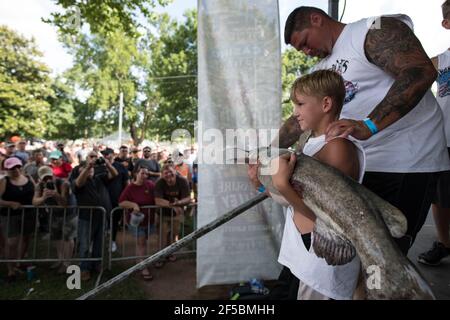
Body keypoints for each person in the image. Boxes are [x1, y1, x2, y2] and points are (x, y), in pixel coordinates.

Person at [281, 6, 450, 255]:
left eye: (305, 42)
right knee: (355, 257)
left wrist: (369, 124)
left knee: (388, 255)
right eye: (301, 50)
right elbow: (299, 119)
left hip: (405, 162)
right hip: (361, 167)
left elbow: (420, 71)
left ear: (316, 20)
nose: (307, 52)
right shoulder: (320, 70)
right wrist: (270, 150)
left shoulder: (371, 30)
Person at [418, 0, 450, 266]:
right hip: (445, 139)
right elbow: (408, 92)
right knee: (440, 197)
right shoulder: (438, 61)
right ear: (447, 23)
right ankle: (445, 243)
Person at [72, 151, 118, 281]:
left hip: (102, 216)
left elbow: (114, 174)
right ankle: (84, 268)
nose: (91, 169)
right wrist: (87, 167)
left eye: (92, 168)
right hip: (86, 218)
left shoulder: (98, 179)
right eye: (86, 167)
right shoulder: (78, 182)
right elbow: (78, 183)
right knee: (85, 244)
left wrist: (108, 164)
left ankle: (96, 264)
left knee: (99, 243)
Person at [32, 166, 77, 274]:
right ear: (40, 179)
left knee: (67, 238)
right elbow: (34, 202)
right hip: (54, 215)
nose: (48, 180)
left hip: (68, 214)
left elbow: (64, 204)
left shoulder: (63, 184)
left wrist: (55, 194)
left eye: (49, 177)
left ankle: (67, 263)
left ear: (53, 175)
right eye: (45, 178)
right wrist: (43, 197)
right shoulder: (39, 186)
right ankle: (60, 260)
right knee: (57, 238)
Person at [0, 157, 36, 282]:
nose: (15, 170)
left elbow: (36, 192)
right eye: (12, 168)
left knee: (26, 238)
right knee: (11, 243)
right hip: (10, 216)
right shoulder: (4, 181)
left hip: (29, 214)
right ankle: (11, 270)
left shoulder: (28, 178)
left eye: (17, 167)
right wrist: (10, 203)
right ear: (6, 170)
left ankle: (19, 263)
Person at [118, 167, 156, 280]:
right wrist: (133, 205)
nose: (145, 175)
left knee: (144, 242)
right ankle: (143, 267)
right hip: (136, 221)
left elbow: (157, 197)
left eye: (147, 173)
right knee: (142, 243)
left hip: (149, 220)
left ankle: (139, 259)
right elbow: (121, 202)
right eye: (142, 173)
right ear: (136, 174)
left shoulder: (150, 185)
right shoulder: (130, 187)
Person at [154, 164, 191, 266]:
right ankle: (159, 257)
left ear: (175, 171)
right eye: (166, 173)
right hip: (162, 213)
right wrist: (172, 205)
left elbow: (188, 198)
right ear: (162, 175)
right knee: (162, 235)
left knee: (174, 234)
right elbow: (157, 200)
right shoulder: (159, 182)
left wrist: (178, 203)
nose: (169, 175)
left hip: (177, 214)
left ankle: (169, 253)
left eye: (170, 172)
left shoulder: (182, 181)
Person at [101, 147, 129, 253]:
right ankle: (98, 242)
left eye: (108, 154)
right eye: (104, 154)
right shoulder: (100, 166)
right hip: (102, 199)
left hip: (117, 199)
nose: (106, 156)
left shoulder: (121, 167)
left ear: (113, 154)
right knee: (101, 221)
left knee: (114, 222)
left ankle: (112, 241)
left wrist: (126, 198)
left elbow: (127, 183)